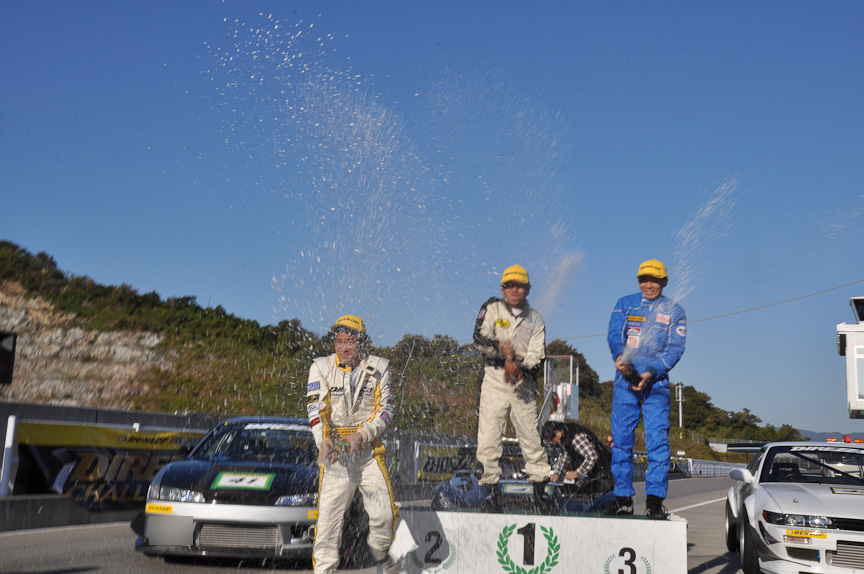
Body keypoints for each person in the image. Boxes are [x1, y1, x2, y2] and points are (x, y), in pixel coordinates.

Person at [306, 314, 399, 574]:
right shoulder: (321, 366)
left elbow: (387, 410)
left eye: (350, 341)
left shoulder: (380, 366)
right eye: (338, 341)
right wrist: (324, 442)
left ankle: (380, 550)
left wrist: (362, 435)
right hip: (336, 455)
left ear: (362, 342)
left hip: (368, 454)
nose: (344, 347)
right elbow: (316, 410)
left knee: (385, 516)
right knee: (327, 525)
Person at [605, 259, 686, 519]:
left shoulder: (675, 310)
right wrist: (620, 357)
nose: (648, 285)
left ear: (664, 282)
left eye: (654, 280)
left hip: (656, 386)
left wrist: (651, 371)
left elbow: (675, 349)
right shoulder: (625, 303)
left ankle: (654, 501)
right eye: (643, 279)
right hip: (625, 383)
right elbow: (614, 335)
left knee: (657, 443)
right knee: (621, 443)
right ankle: (622, 498)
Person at [473, 264, 552, 513]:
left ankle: (540, 495)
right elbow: (478, 339)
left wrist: (517, 367)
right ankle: (491, 496)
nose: (513, 290)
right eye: (509, 285)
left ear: (527, 289)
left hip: (523, 383)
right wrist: (501, 350)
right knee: (488, 436)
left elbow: (538, 355)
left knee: (530, 436)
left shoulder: (536, 318)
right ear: (502, 288)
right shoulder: (492, 308)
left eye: (519, 285)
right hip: (494, 379)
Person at [542, 422, 598, 487]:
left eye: (552, 440)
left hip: (601, 472)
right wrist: (557, 473)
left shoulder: (575, 437)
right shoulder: (566, 437)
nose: (553, 443)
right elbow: (565, 455)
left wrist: (576, 473)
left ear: (558, 433)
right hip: (591, 475)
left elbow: (592, 456)